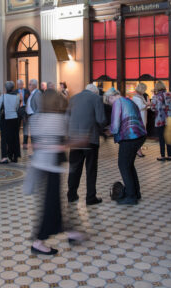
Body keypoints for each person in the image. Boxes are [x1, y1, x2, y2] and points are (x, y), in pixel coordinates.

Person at [29, 90, 85, 256]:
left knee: (53, 202)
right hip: (51, 165)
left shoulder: (36, 118)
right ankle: (38, 241)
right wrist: (78, 141)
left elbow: (38, 143)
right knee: (50, 204)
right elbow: (59, 143)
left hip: (41, 165)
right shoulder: (58, 119)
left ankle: (70, 232)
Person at [67, 83, 105, 206]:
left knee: (74, 168)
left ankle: (72, 195)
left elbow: (66, 118)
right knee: (91, 169)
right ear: (95, 92)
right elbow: (101, 119)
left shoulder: (72, 98)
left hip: (74, 139)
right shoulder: (96, 98)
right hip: (90, 138)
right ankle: (90, 197)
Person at [107, 88, 147, 205]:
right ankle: (136, 193)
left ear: (111, 97)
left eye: (108, 101)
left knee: (123, 165)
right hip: (140, 135)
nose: (110, 104)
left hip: (130, 137)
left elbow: (115, 125)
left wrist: (110, 131)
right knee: (129, 165)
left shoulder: (117, 102)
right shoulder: (129, 100)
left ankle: (131, 196)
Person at [0, 81, 20, 164]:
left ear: (5, 88)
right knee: (14, 138)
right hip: (14, 119)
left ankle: (4, 158)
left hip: (5, 119)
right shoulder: (17, 96)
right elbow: (17, 108)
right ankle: (14, 156)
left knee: (4, 139)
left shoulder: (3, 96)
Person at [151, 81, 171, 161]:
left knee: (162, 138)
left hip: (160, 119)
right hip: (169, 118)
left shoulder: (156, 96)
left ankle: (162, 155)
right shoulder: (170, 94)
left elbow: (153, 108)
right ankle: (169, 156)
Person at [132, 83, 149, 157]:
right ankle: (138, 150)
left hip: (143, 116)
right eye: (144, 89)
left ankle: (138, 150)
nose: (145, 91)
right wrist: (147, 104)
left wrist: (147, 104)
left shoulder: (140, 96)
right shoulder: (136, 97)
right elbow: (140, 107)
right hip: (140, 117)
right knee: (140, 134)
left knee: (141, 134)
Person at [15, 79, 30, 149]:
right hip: (17, 110)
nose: (20, 85)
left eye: (22, 84)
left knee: (25, 127)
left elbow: (29, 100)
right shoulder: (14, 92)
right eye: (19, 84)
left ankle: (25, 143)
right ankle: (16, 143)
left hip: (25, 110)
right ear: (17, 85)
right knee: (16, 127)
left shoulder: (27, 91)